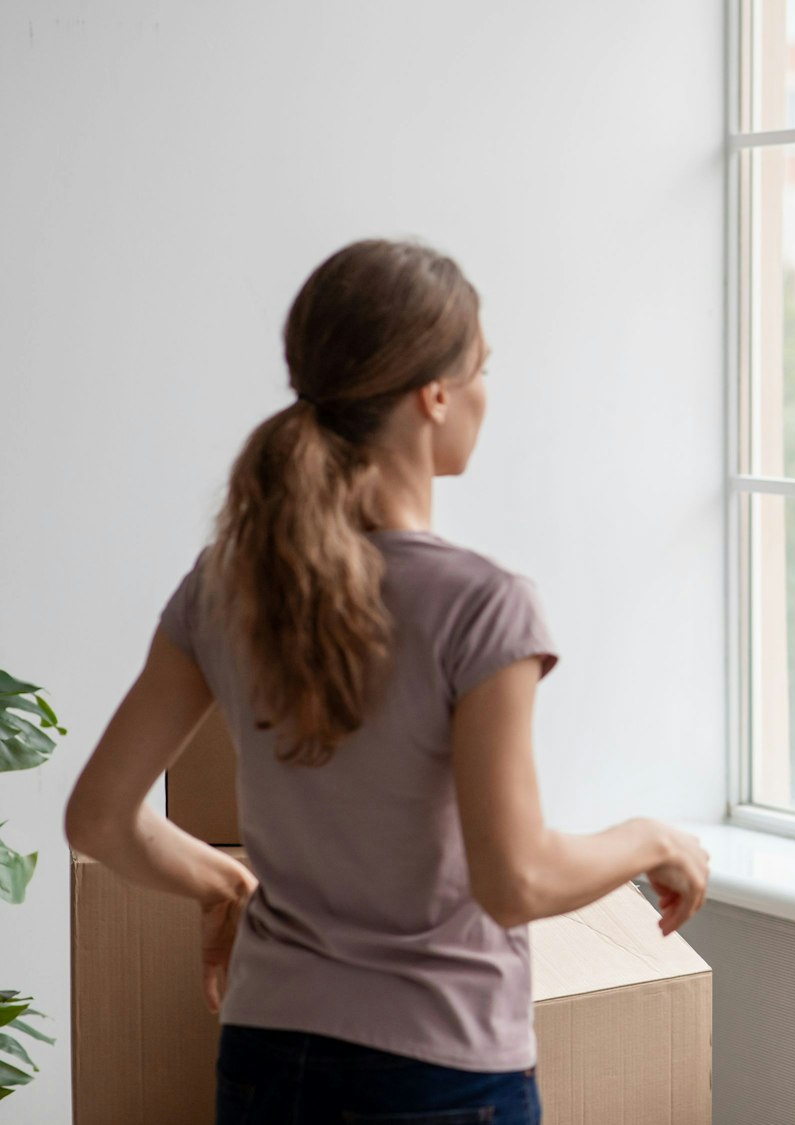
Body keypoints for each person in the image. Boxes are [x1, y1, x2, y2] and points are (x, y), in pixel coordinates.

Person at [65, 239, 710, 1124]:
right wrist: (650, 838)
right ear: (434, 394)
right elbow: (514, 878)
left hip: (264, 1055)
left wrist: (224, 885)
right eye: (482, 367)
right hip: (435, 1075)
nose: (488, 391)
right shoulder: (481, 605)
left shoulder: (226, 584)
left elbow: (98, 815)